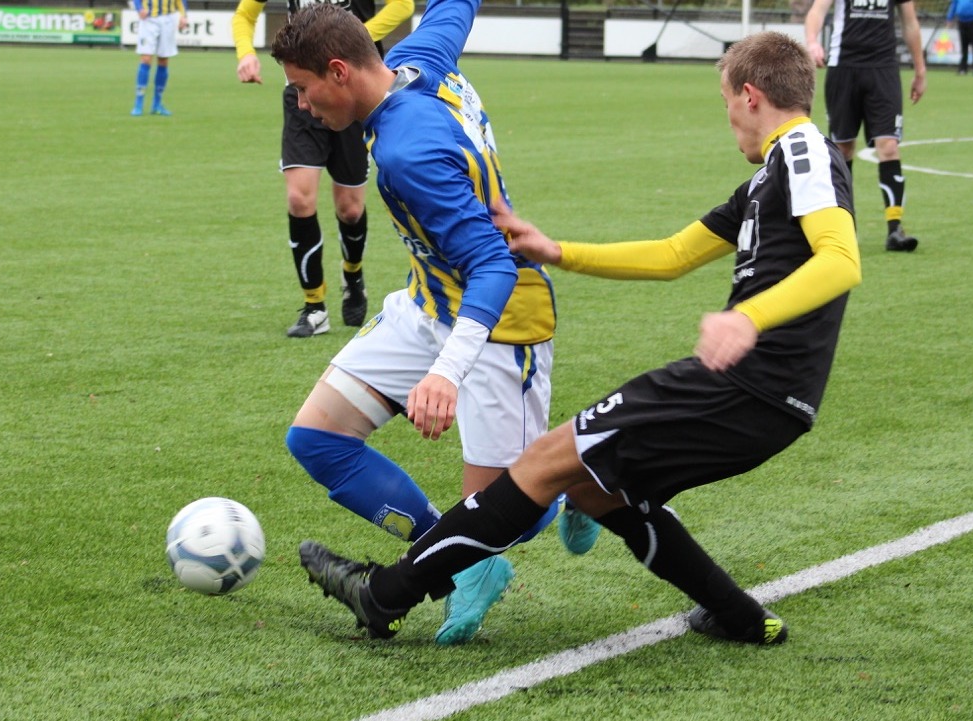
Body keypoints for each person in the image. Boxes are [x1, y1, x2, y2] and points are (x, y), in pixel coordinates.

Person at [297, 30, 863, 646]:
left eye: (726, 102)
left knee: (545, 462)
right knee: (596, 491)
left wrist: (748, 318)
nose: (728, 118)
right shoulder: (767, 179)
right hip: (767, 396)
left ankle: (383, 595)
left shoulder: (803, 149)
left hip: (746, 385)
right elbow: (674, 254)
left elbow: (841, 260)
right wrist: (558, 251)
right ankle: (743, 618)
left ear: (750, 96)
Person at [269, 0, 560, 644]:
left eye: (303, 88)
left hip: (497, 323)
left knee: (506, 514)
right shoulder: (414, 59)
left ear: (339, 71)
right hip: (428, 301)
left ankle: (573, 482)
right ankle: (464, 564)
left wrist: (446, 374)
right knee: (317, 439)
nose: (301, 106)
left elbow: (493, 265)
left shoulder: (409, 151)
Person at [234, 0, 413, 337]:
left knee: (350, 209)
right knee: (299, 199)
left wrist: (353, 40)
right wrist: (245, 52)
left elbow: (403, 6)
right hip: (304, 92)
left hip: (351, 90)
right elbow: (245, 14)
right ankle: (314, 306)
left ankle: (353, 274)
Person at [805, 0, 926, 252]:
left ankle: (895, 229)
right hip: (843, 67)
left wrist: (920, 70)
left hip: (884, 69)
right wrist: (812, 41)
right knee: (843, 148)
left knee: (889, 145)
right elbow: (817, 10)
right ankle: (845, 227)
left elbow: (910, 23)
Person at [131, 0, 188, 116]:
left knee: (163, 60)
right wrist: (139, 8)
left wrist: (183, 15)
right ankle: (138, 104)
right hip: (148, 18)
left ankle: (157, 104)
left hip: (168, 18)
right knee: (146, 58)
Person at [945, 0, 973, 75]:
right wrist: (949, 18)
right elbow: (954, 5)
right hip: (961, 21)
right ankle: (963, 68)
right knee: (963, 45)